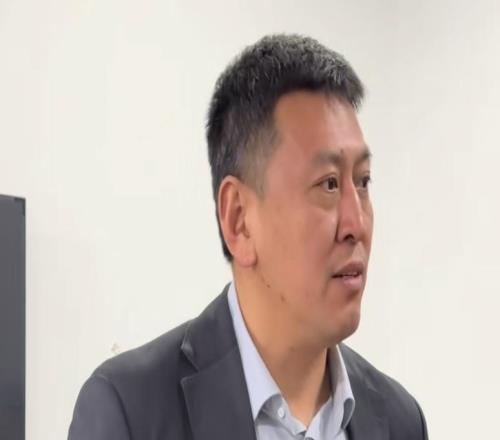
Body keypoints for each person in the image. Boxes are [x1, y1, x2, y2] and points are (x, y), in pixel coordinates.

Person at [68, 34, 428, 440]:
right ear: (239, 219)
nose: (356, 223)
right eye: (328, 184)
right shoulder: (130, 411)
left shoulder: (400, 421)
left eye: (363, 182)